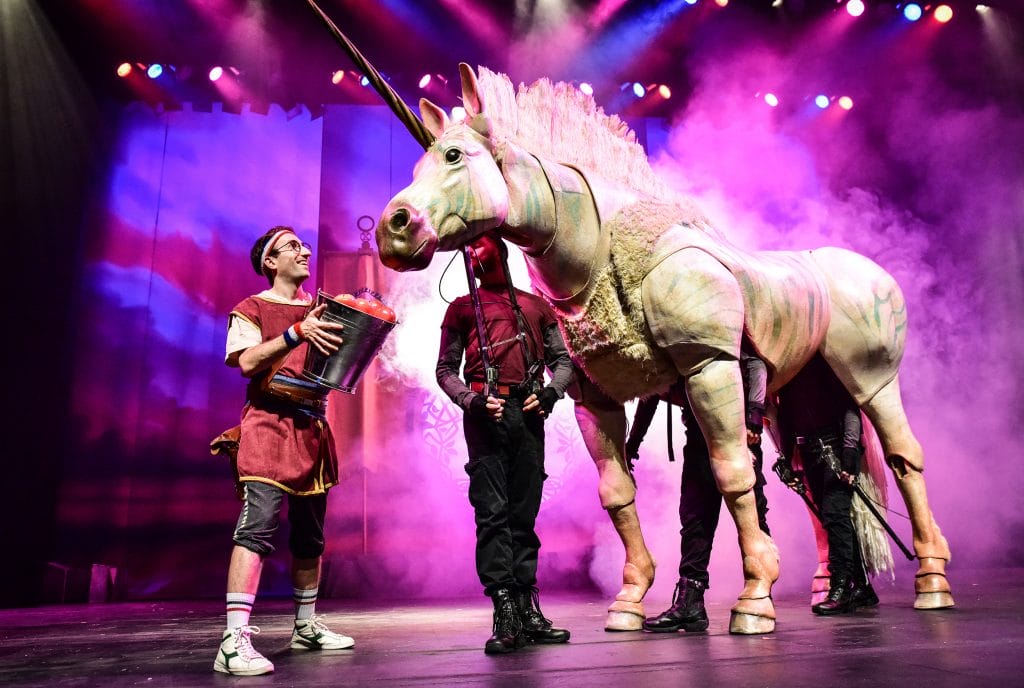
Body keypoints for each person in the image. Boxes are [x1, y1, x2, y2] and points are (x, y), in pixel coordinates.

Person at [215, 226, 353, 676]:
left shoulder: (321, 309)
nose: (304, 251)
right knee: (255, 531)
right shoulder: (251, 308)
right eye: (292, 246)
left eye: (304, 245)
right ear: (270, 262)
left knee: (311, 537)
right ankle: (232, 642)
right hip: (268, 426)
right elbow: (247, 362)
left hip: (311, 427)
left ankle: (305, 626)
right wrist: (296, 332)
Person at [435, 233, 575, 655]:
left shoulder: (536, 305)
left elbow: (563, 361)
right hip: (485, 417)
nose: (471, 252)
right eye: (467, 248)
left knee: (523, 516)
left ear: (500, 249)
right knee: (492, 516)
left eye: (478, 244)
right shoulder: (461, 307)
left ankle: (527, 610)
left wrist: (550, 394)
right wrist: (472, 401)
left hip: (528, 415)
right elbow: (445, 370)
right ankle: (505, 610)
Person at [629, 352, 772, 633]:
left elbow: (756, 363)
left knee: (752, 517)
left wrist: (754, 415)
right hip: (699, 438)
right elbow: (652, 390)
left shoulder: (720, 331)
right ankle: (690, 603)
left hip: (736, 434)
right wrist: (633, 442)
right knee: (694, 520)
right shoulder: (676, 343)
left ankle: (761, 591)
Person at [774, 353, 878, 616]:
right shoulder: (788, 372)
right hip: (809, 449)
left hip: (836, 448)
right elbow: (786, 417)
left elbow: (850, 407)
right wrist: (786, 457)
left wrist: (850, 454)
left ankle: (842, 587)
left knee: (835, 515)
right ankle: (861, 587)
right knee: (834, 519)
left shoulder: (826, 364)